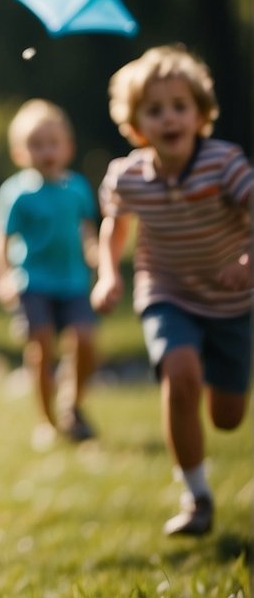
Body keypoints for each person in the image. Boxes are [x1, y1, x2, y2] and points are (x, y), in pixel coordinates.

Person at [91, 44, 251, 537]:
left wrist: (247, 260)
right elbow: (114, 226)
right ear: (137, 125)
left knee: (226, 417)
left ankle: (214, 385)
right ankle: (197, 496)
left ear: (200, 114)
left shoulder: (224, 164)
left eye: (180, 107)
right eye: (155, 110)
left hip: (232, 302)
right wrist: (109, 274)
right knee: (179, 376)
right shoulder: (128, 176)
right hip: (167, 293)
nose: (169, 119)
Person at [0, 99, 100, 446]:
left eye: (53, 143)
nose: (46, 151)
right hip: (33, 281)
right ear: (20, 153)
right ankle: (46, 420)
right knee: (42, 344)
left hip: (73, 281)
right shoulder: (17, 193)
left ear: (68, 147)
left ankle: (72, 403)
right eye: (36, 144)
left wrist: (96, 255)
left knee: (85, 339)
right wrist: (4, 277)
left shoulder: (77, 188)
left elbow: (85, 230)